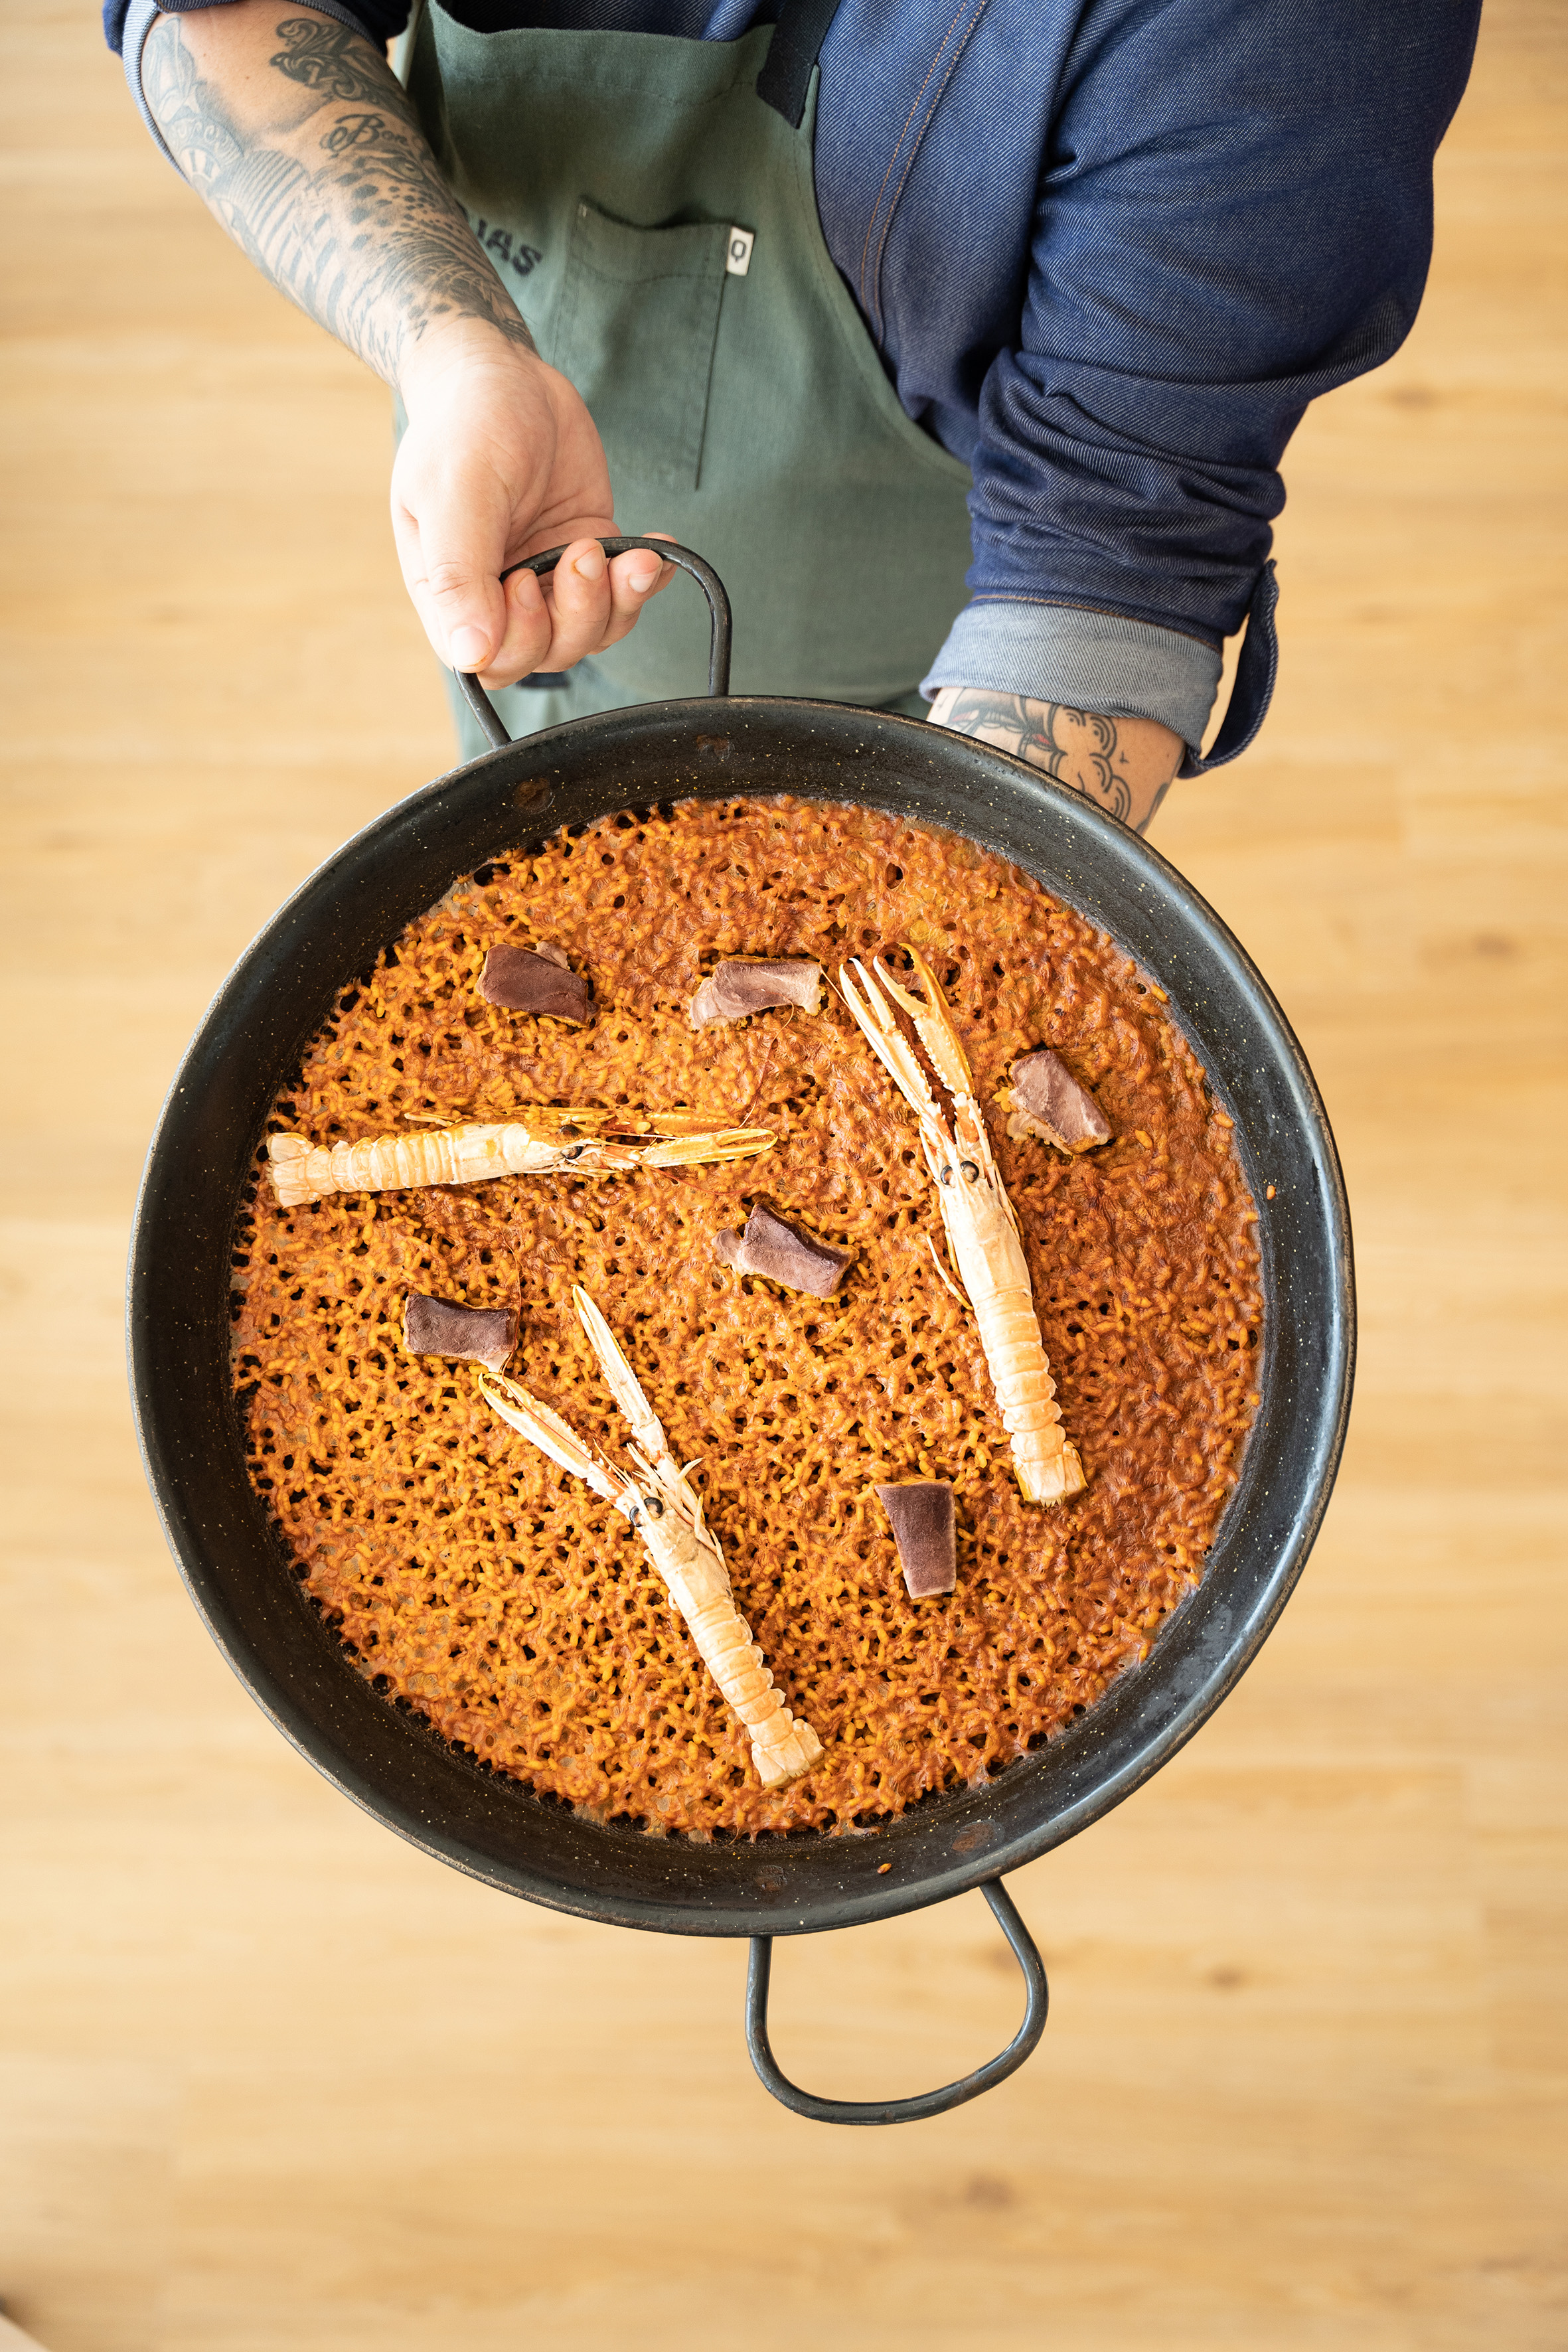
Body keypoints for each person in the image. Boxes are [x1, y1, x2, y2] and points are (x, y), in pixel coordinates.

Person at [108, 0, 1478, 831]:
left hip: (952, 613)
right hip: (520, 462)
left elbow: (1108, 554)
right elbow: (219, 14)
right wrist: (448, 343)